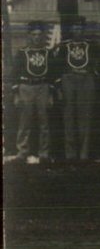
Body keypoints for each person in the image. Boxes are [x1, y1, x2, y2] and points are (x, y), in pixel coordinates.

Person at [53, 16, 100, 163]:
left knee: (85, 117)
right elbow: (58, 67)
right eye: (75, 27)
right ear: (71, 29)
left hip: (86, 81)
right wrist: (60, 85)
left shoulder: (91, 45)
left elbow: (99, 64)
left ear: (84, 29)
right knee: (69, 117)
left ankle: (84, 154)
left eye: (80, 28)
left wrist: (91, 74)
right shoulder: (64, 46)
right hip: (69, 80)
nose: (77, 30)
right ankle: (70, 154)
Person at [12, 21, 57, 164]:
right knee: (25, 122)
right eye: (34, 35)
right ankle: (22, 152)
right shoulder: (21, 53)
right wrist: (16, 94)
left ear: (43, 36)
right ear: (29, 36)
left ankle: (44, 153)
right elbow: (14, 75)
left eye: (39, 34)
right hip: (26, 87)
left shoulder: (48, 53)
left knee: (44, 122)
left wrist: (50, 94)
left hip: (42, 87)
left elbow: (52, 75)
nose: (37, 37)